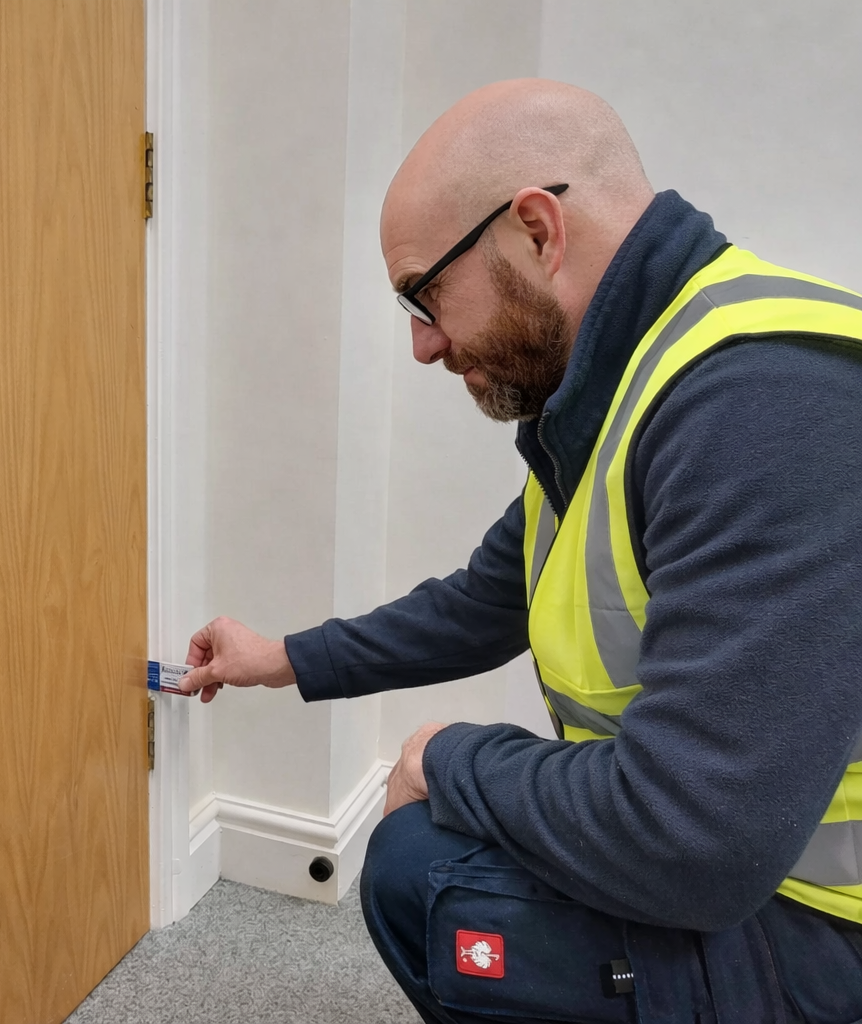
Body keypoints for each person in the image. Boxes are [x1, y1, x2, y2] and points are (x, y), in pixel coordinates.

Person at [178, 79, 862, 1023]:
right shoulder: (620, 395)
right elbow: (480, 601)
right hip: (746, 868)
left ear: (538, 231)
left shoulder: (760, 405)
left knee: (423, 864)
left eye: (424, 294)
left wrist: (445, 754)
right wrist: (281, 658)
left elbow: (692, 841)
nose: (422, 345)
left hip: (823, 924)